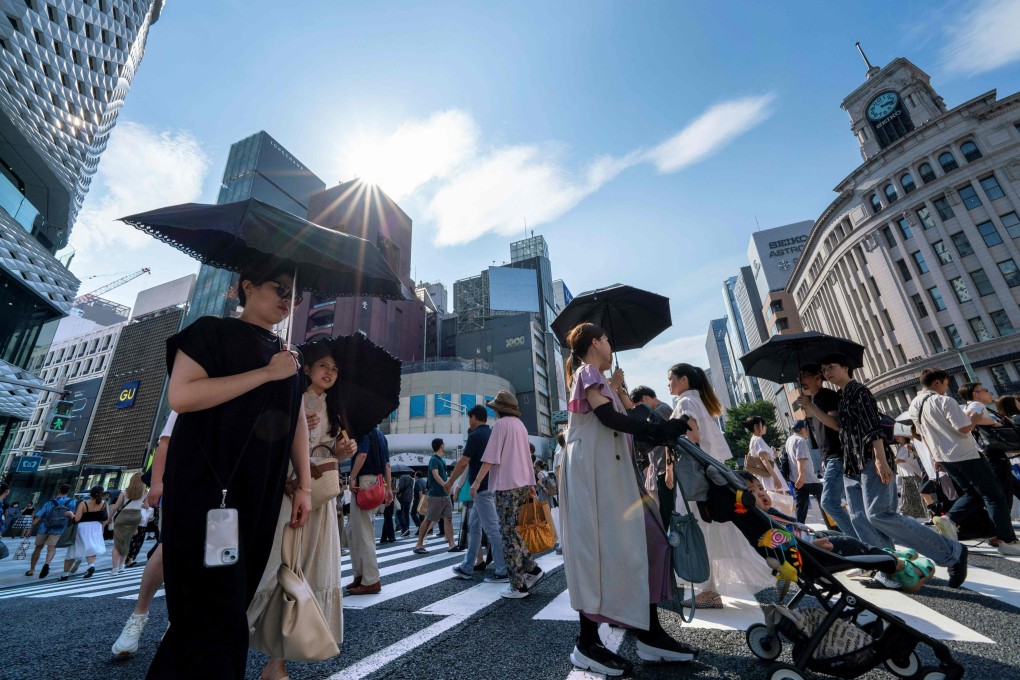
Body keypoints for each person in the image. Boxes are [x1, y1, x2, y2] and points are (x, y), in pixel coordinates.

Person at [146, 263, 310, 680]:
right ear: (247, 286)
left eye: (294, 293)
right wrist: (266, 373)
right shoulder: (209, 332)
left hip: (261, 489)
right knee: (210, 607)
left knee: (230, 602)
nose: (287, 299)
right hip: (205, 484)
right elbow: (182, 396)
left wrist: (305, 484)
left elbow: (297, 420)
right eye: (280, 288)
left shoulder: (290, 354)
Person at [561, 324, 696, 675]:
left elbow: (627, 418)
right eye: (607, 339)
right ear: (595, 343)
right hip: (594, 475)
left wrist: (621, 390)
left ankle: (649, 633)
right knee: (599, 553)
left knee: (651, 542)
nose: (610, 345)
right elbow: (609, 420)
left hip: (614, 476)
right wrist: (656, 429)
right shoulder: (587, 371)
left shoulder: (601, 379)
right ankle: (587, 641)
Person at [249, 343, 354, 678]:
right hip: (291, 492)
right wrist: (294, 427)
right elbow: (267, 439)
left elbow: (327, 458)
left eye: (334, 370)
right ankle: (224, 638)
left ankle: (276, 663)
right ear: (307, 369)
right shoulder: (290, 396)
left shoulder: (336, 410)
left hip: (319, 499)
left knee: (303, 573)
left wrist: (342, 452)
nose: (329, 373)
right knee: (274, 566)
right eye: (323, 366)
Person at [822, 354, 968, 588]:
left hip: (870, 459)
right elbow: (840, 428)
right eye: (824, 369)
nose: (827, 372)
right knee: (860, 518)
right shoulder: (842, 396)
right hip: (851, 465)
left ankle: (952, 552)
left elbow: (872, 425)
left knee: (879, 515)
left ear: (845, 367)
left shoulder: (859, 390)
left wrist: (880, 458)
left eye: (831, 366)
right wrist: (810, 407)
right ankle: (887, 568)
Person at [669, 363, 772, 610]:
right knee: (707, 531)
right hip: (708, 475)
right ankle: (710, 588)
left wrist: (671, 448)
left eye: (670, 378)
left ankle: (709, 590)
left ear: (684, 380)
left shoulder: (685, 402)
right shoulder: (698, 401)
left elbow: (691, 437)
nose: (669, 384)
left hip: (694, 477)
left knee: (697, 531)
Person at [737, 471, 936, 592]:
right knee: (853, 546)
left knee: (851, 541)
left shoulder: (768, 513)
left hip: (814, 543)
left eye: (760, 487)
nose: (761, 492)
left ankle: (888, 555)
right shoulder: (763, 523)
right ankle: (904, 571)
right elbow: (782, 548)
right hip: (813, 552)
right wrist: (812, 545)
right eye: (752, 491)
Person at [910, 370, 1020, 556]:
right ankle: (1006, 540)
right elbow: (963, 428)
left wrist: (935, 457)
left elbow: (923, 435)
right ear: (937, 383)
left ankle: (950, 519)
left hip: (943, 457)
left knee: (974, 493)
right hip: (964, 453)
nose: (946, 388)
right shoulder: (944, 401)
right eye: (945, 384)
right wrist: (976, 420)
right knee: (994, 496)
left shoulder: (915, 405)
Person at [113, 411, 175, 656]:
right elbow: (166, 442)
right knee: (167, 547)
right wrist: (158, 483)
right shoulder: (197, 380)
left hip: (225, 485)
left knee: (207, 557)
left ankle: (177, 620)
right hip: (182, 481)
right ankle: (138, 616)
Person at [471, 391, 544, 599]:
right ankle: (531, 568)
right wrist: (531, 483)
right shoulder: (520, 426)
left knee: (508, 534)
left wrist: (476, 482)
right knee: (513, 531)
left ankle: (518, 586)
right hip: (522, 484)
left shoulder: (500, 426)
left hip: (506, 485)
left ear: (498, 409)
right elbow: (526, 458)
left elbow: (491, 458)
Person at [446, 404, 508, 582]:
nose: (469, 421)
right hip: (491, 485)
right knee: (474, 527)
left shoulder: (475, 436)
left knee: (492, 529)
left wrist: (450, 482)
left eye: (469, 418)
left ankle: (502, 569)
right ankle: (467, 567)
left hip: (481, 488)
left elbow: (464, 462)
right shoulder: (491, 434)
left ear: (473, 418)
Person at [347, 426, 393, 595]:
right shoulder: (382, 436)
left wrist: (351, 477)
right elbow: (387, 465)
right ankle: (360, 574)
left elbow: (362, 454)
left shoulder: (363, 432)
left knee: (363, 532)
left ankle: (371, 579)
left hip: (363, 483)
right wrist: (388, 489)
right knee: (354, 531)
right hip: (377, 482)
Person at [962, 383, 1020, 504]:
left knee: (1011, 487)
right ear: (975, 394)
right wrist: (994, 422)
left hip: (989, 454)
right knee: (1004, 496)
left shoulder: (973, 406)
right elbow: (970, 418)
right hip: (992, 455)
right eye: (985, 390)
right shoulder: (977, 405)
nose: (989, 393)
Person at [631, 385, 675, 530]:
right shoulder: (661, 409)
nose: (639, 411)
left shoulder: (661, 410)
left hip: (666, 468)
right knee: (664, 510)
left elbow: (670, 440)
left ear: (645, 399)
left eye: (639, 406)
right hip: (661, 468)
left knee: (667, 512)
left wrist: (669, 469)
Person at [412, 439, 457, 555]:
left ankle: (451, 544)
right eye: (444, 444)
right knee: (429, 519)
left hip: (445, 494)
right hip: (436, 494)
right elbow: (435, 475)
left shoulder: (441, 459)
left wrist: (447, 488)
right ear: (441, 445)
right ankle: (419, 544)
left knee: (448, 518)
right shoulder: (433, 460)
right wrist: (446, 485)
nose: (445, 445)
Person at [25, 484, 75, 578]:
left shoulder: (49, 502)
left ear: (59, 490)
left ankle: (32, 570)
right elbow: (71, 516)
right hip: (59, 528)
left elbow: (39, 516)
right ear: (67, 492)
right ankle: (47, 564)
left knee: (38, 548)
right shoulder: (71, 502)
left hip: (44, 527)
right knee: (51, 548)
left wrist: (30, 528)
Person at [61, 485, 107, 580]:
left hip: (83, 527)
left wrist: (70, 514)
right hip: (96, 527)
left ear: (91, 493)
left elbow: (76, 519)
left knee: (73, 550)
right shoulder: (103, 503)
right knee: (91, 548)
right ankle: (91, 565)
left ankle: (65, 574)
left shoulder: (83, 503)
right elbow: (106, 517)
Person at [108, 473, 147, 576]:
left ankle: (115, 568)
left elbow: (116, 506)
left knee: (117, 542)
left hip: (124, 516)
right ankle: (121, 566)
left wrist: (109, 518)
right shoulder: (145, 492)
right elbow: (147, 506)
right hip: (136, 517)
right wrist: (138, 503)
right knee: (127, 540)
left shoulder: (125, 491)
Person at [787, 420, 823, 524]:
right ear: (803, 429)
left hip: (795, 478)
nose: (808, 431)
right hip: (806, 478)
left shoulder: (789, 439)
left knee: (801, 505)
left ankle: (799, 526)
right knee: (825, 498)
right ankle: (833, 522)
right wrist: (801, 476)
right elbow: (800, 459)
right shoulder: (800, 440)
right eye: (807, 429)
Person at [745, 416, 788, 493]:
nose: (765, 427)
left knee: (775, 501)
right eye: (763, 425)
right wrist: (776, 478)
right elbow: (764, 459)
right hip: (768, 477)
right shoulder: (758, 440)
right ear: (756, 426)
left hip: (763, 476)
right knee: (778, 501)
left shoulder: (753, 439)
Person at [893, 436, 928, 519]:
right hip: (905, 474)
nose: (896, 437)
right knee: (906, 495)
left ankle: (926, 513)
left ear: (904, 437)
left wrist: (891, 460)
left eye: (899, 436)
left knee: (918, 495)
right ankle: (906, 513)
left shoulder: (908, 446)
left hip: (913, 472)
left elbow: (901, 459)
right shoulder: (900, 448)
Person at [380, 478, 397, 544]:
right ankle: (391, 536)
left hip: (390, 501)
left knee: (387, 519)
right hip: (386, 501)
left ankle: (384, 537)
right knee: (388, 519)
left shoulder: (390, 484)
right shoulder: (384, 483)